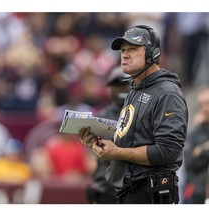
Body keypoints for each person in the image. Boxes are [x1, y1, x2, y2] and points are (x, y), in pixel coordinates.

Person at [78, 25, 188, 204]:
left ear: (154, 54)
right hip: (128, 190)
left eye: (133, 49)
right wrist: (98, 142)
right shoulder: (135, 90)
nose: (125, 54)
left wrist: (118, 152)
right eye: (123, 50)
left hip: (150, 193)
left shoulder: (167, 93)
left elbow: (168, 151)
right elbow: (133, 138)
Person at [86, 66, 130, 204]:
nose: (121, 89)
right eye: (116, 85)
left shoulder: (142, 111)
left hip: (133, 187)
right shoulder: (102, 116)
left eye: (125, 84)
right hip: (107, 188)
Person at [183, 86, 209, 204]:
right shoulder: (195, 134)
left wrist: (201, 151)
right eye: (203, 104)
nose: (206, 108)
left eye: (208, 103)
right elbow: (189, 162)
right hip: (200, 193)